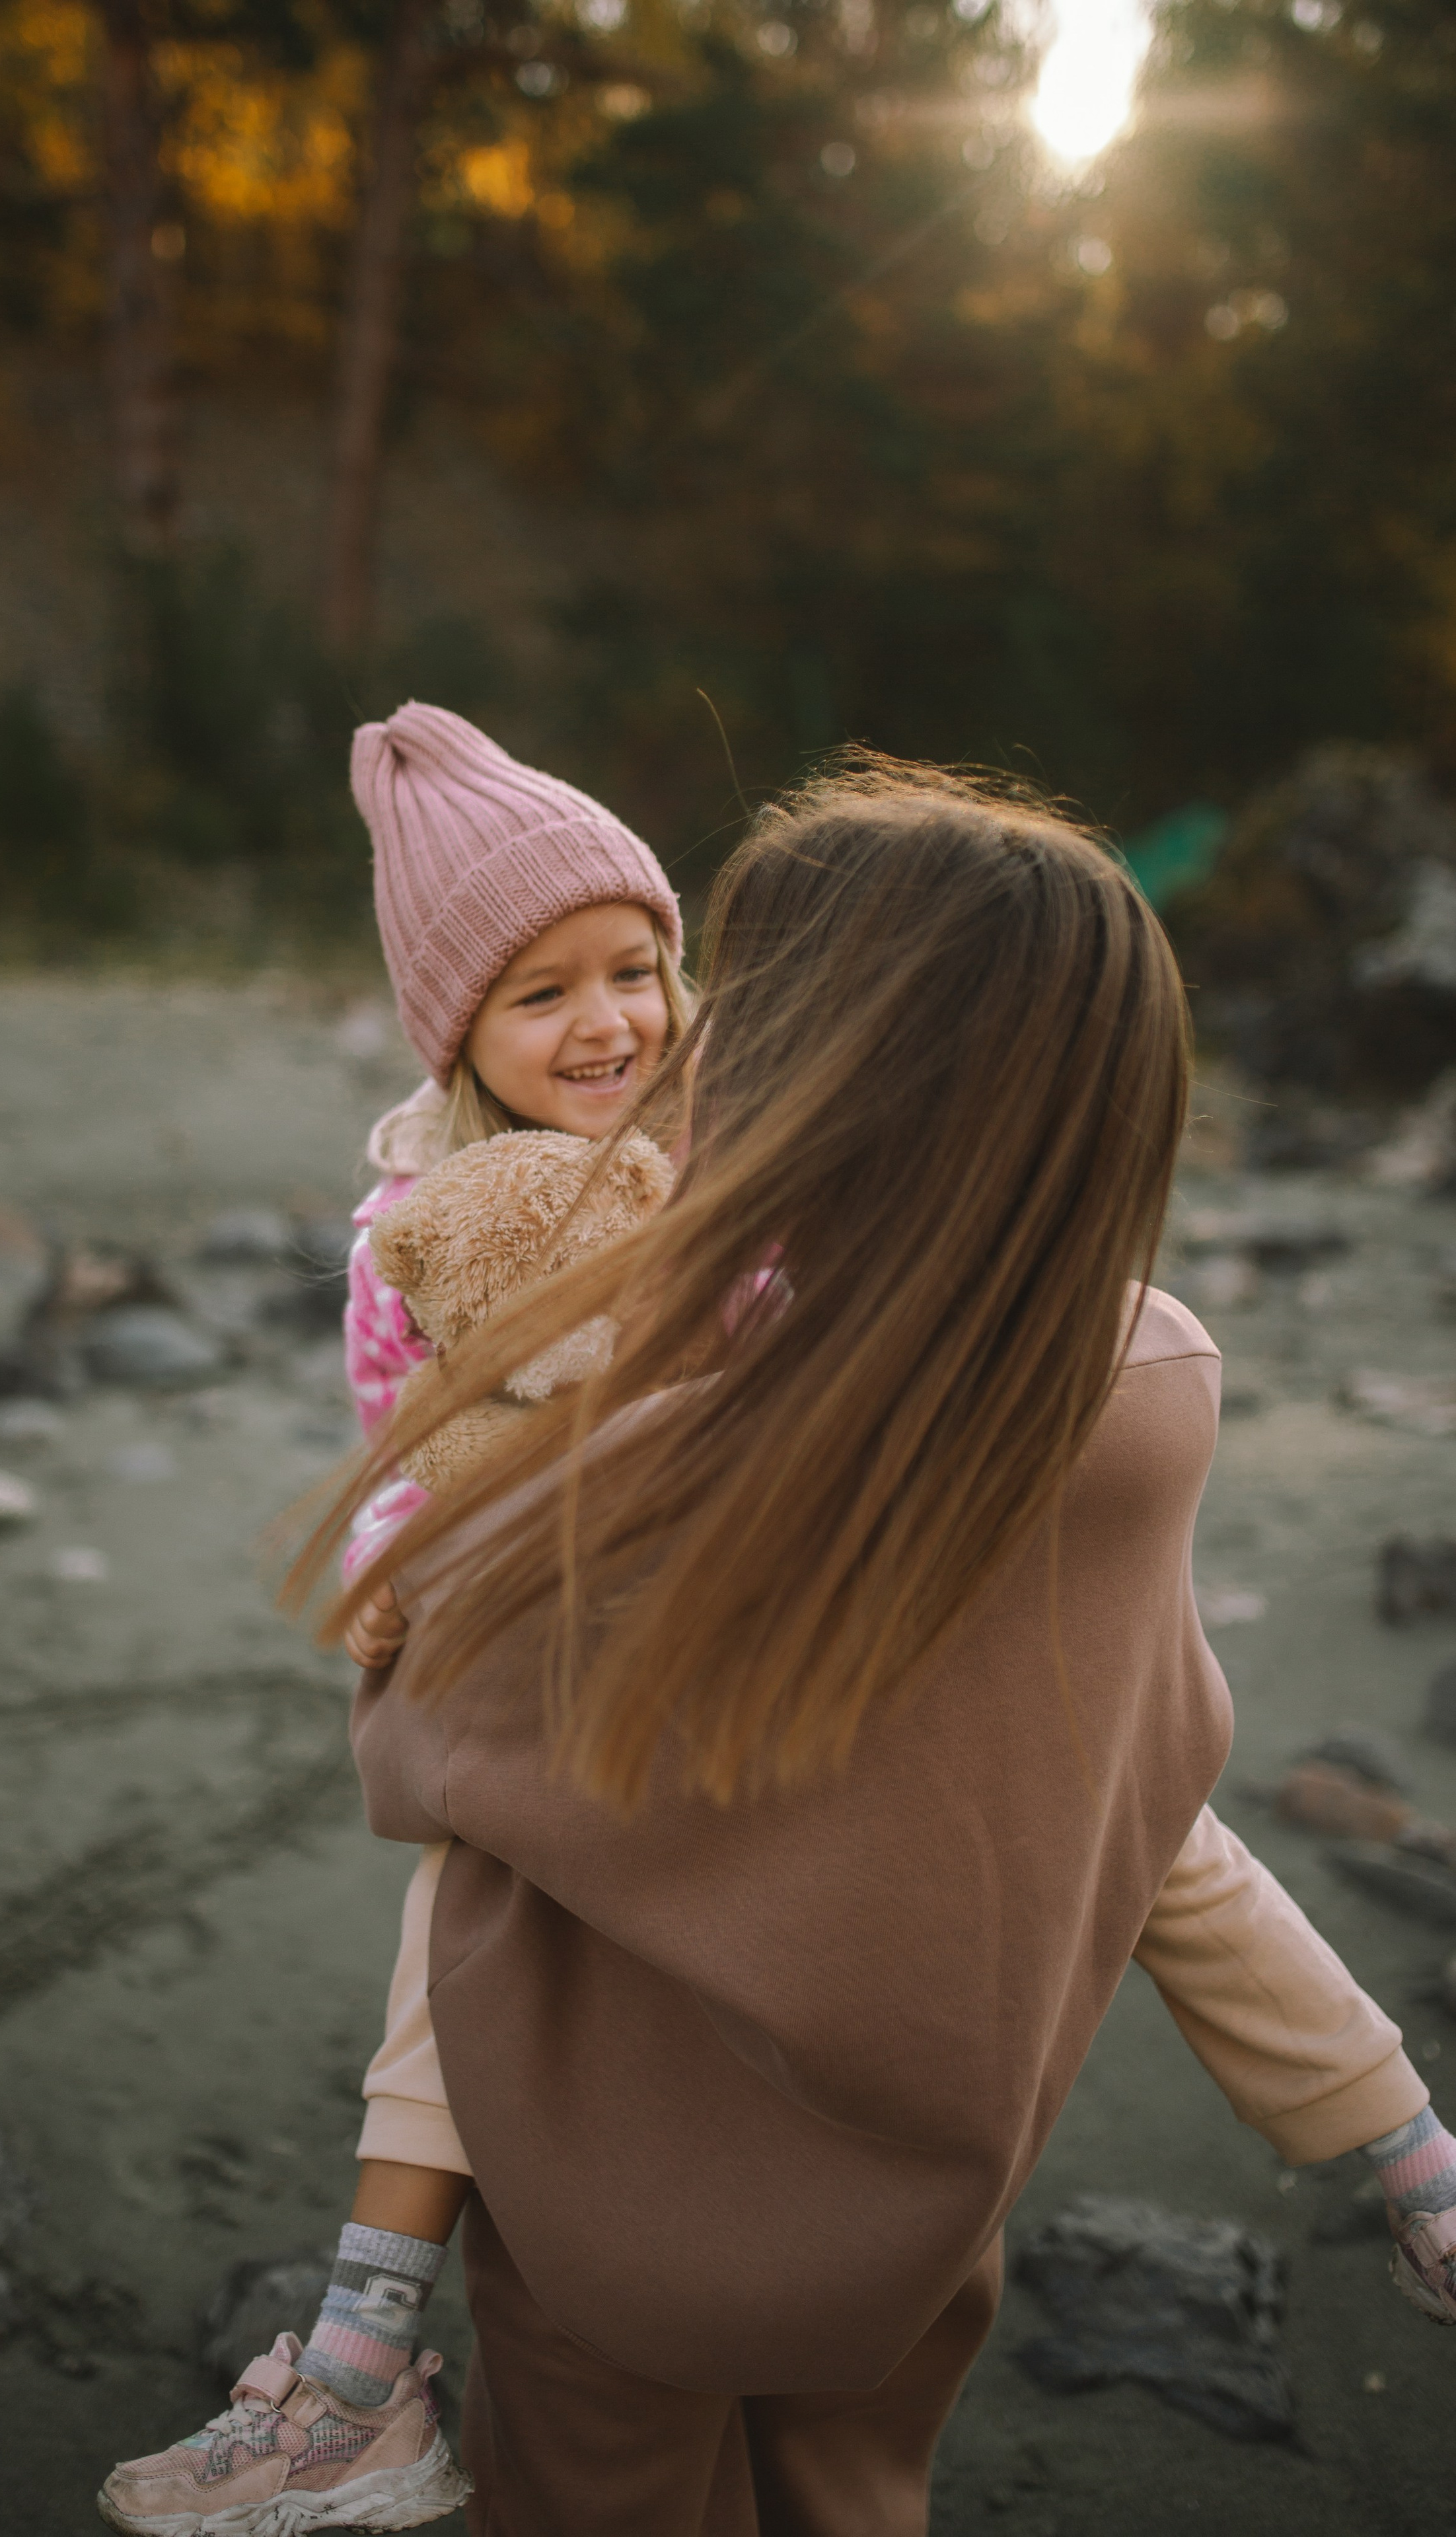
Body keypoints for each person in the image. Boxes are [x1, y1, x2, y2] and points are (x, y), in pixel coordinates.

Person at [318, 762, 1453, 2534]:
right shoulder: (1140, 1376)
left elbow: (428, 1765)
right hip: (921, 2231)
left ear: (808, 1071)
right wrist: (1396, 2131)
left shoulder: (676, 1447)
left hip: (621, 2223)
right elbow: (1160, 1815)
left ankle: (348, 2361)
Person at [98, 704, 692, 2537]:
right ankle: (365, 2362)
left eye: (639, 968)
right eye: (542, 995)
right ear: (457, 1033)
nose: (609, 1024)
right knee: (466, 1907)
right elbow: (402, 1463)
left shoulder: (729, 1172)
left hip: (727, 1627)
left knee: (1161, 1818)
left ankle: (1397, 2147)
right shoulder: (409, 1235)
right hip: (541, 1648)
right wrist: (418, 1574)